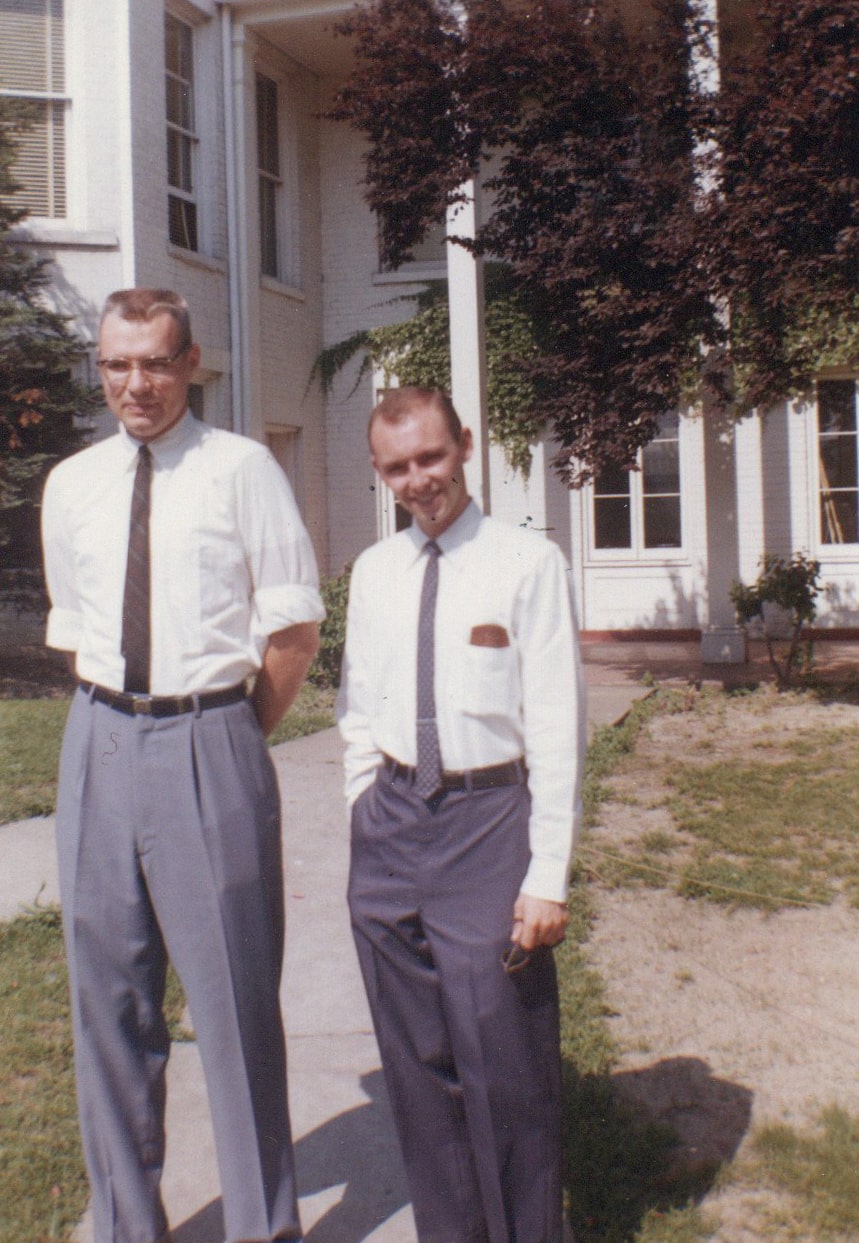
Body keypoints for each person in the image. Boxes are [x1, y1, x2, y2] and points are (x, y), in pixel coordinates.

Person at [41, 288, 324, 1243]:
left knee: (234, 1010)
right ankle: (125, 1222)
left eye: (156, 362)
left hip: (210, 739)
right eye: (118, 364)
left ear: (191, 363)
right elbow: (77, 622)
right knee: (109, 1005)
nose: (137, 383)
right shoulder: (72, 483)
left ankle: (262, 1226)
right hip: (98, 740)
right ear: (100, 366)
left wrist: (232, 732)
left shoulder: (242, 470)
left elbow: (291, 626)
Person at [337, 386, 587, 1243]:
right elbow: (357, 705)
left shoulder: (525, 563)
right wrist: (363, 807)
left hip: (488, 823)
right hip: (393, 823)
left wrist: (545, 875)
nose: (419, 480)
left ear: (466, 447)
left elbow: (556, 727)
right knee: (416, 1067)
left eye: (431, 458)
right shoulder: (375, 572)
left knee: (503, 1064)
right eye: (398, 466)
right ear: (379, 472)